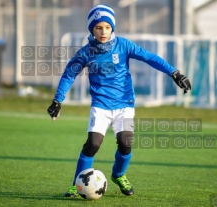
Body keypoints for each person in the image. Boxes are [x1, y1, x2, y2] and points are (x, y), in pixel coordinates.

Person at [47, 4, 191, 198]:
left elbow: (149, 57)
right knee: (93, 144)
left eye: (107, 27)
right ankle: (77, 185)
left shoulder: (124, 45)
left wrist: (174, 72)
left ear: (112, 27)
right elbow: (68, 76)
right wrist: (58, 100)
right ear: (92, 29)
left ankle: (118, 175)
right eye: (98, 27)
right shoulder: (85, 53)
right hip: (100, 106)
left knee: (125, 142)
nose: (103, 31)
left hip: (125, 105)